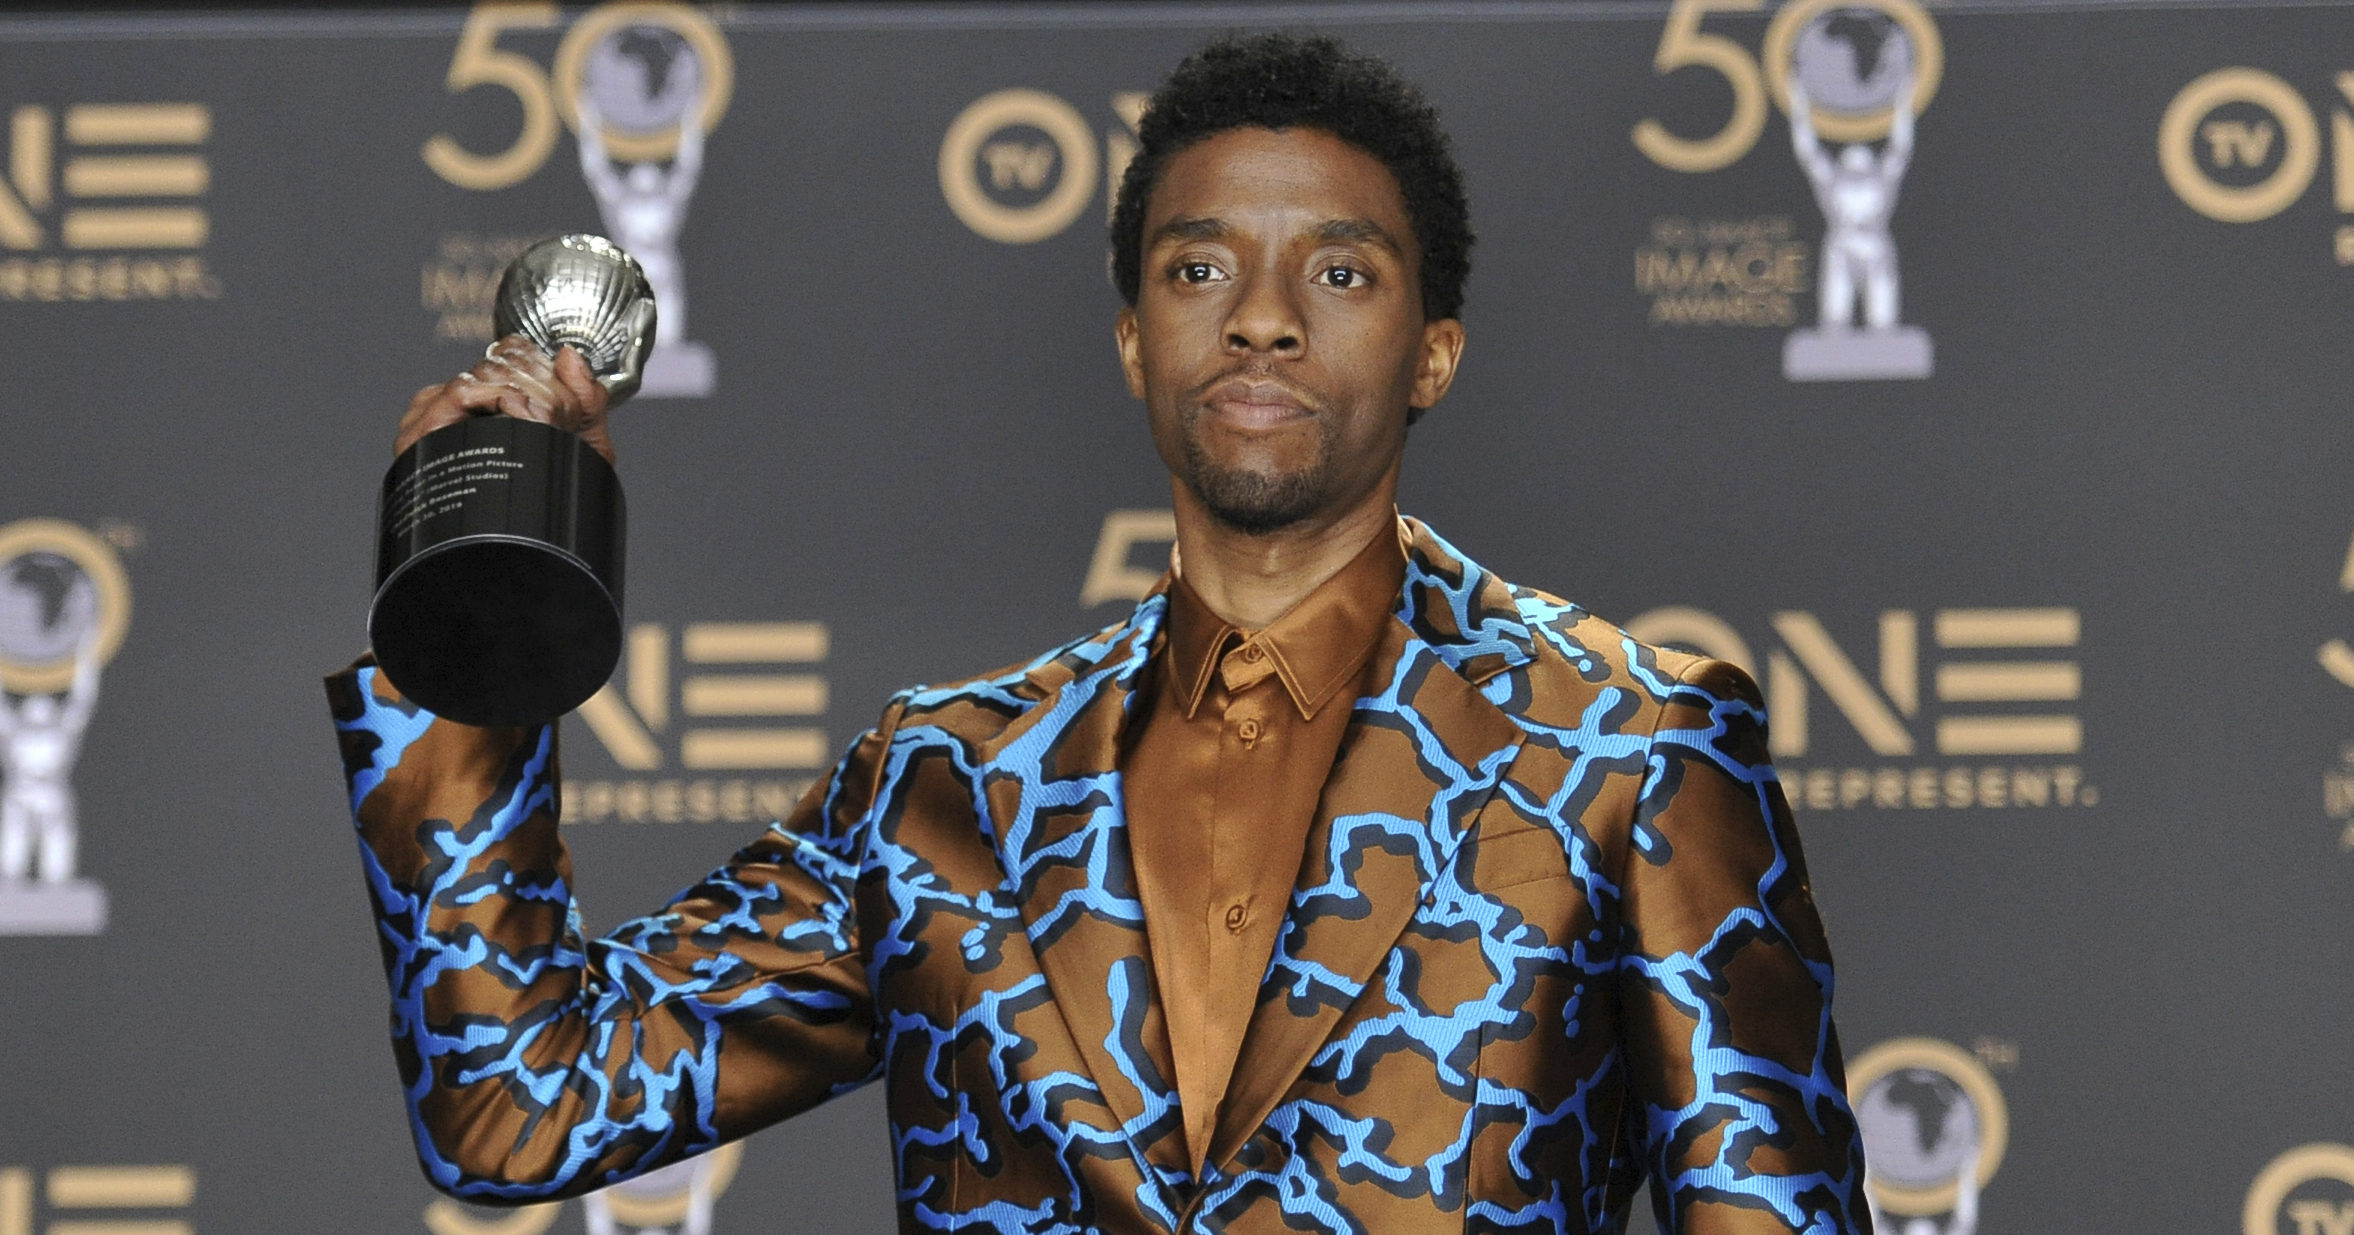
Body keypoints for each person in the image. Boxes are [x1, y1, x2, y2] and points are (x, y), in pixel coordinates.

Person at [329, 33, 1869, 1234]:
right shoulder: (941, 786)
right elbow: (517, 1103)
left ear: (1433, 353)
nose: (1260, 315)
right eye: (1199, 267)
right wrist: (475, 632)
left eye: (1338, 272)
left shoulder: (1629, 747)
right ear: (1136, 337)